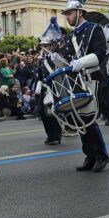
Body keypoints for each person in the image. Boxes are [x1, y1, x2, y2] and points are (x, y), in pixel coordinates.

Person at [55, 0, 109, 172]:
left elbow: (100, 53)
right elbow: (67, 58)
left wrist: (81, 62)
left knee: (88, 118)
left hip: (91, 77)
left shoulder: (95, 29)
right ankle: (89, 155)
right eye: (66, 14)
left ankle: (101, 155)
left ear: (79, 12)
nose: (67, 17)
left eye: (69, 14)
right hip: (76, 81)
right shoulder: (71, 36)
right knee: (79, 119)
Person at [35, 17, 65, 146]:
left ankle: (56, 136)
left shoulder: (56, 56)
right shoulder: (42, 58)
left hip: (55, 87)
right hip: (44, 87)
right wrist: (38, 85)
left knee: (53, 112)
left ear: (52, 45)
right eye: (43, 46)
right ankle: (49, 134)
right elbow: (40, 74)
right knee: (42, 111)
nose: (44, 48)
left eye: (46, 45)